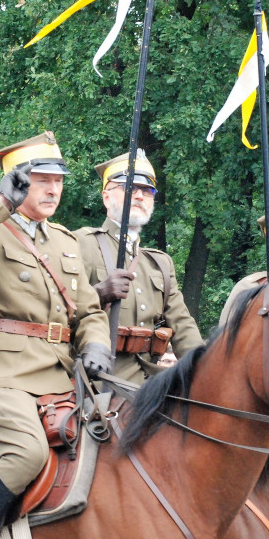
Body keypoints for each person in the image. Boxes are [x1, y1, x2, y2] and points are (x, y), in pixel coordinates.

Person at [0, 131, 111, 539]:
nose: (53, 189)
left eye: (59, 180)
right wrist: (0, 204)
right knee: (26, 452)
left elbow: (88, 311)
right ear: (15, 181)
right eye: (40, 179)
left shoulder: (66, 242)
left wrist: (96, 347)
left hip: (58, 374)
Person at [74, 150, 202, 383]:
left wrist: (206, 370)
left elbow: (183, 326)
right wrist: (99, 294)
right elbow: (57, 311)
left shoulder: (160, 263)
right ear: (106, 197)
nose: (140, 196)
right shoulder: (81, 243)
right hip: (97, 376)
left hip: (152, 379)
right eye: (129, 188)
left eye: (147, 190)